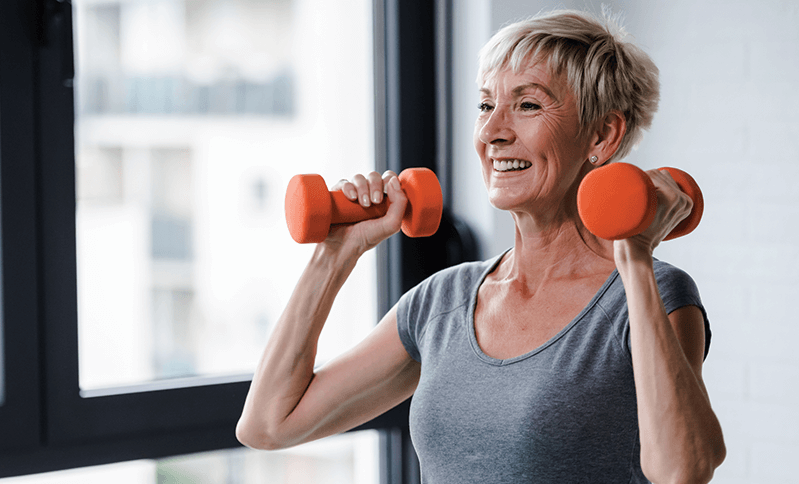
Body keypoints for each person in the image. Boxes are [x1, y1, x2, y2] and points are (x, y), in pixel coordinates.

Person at [236, 9, 725, 483]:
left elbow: (683, 471)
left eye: (528, 105)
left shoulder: (654, 295)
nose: (493, 132)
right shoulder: (440, 303)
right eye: (486, 105)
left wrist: (634, 259)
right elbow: (268, 425)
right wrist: (335, 254)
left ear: (602, 134)